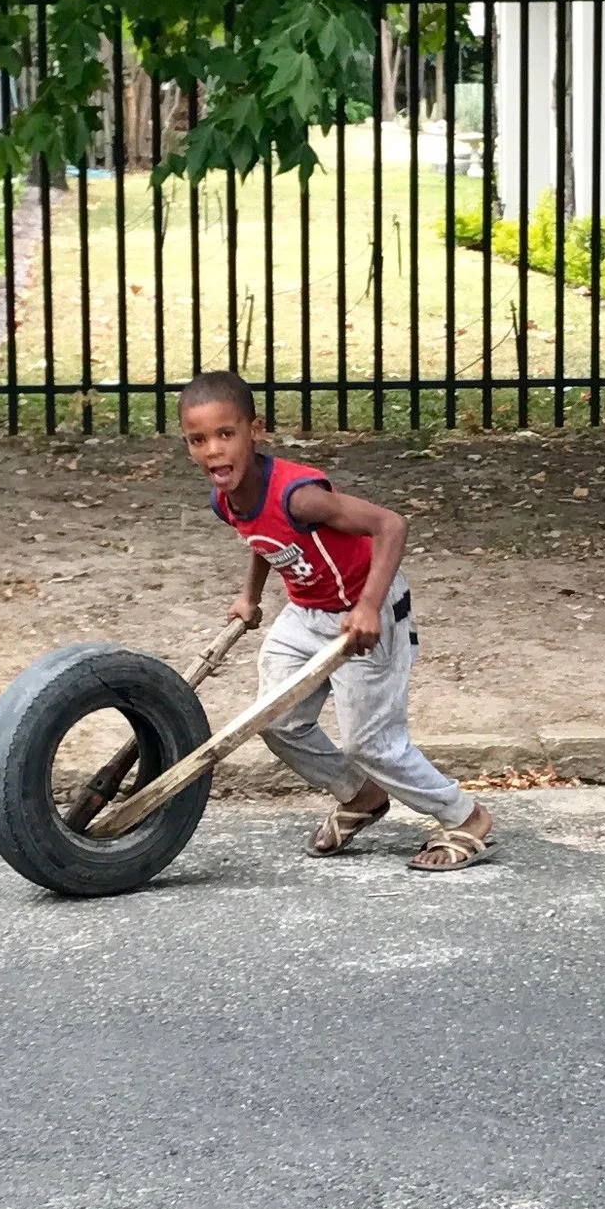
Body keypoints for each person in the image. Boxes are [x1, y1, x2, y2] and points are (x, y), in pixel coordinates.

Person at [176, 370, 494, 872]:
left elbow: (391, 525)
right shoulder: (226, 498)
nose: (213, 450)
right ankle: (361, 796)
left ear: (255, 431)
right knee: (275, 720)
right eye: (198, 440)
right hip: (306, 613)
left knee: (371, 743)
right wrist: (249, 596)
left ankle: (465, 817)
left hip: (369, 612)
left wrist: (367, 605)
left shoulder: (300, 496)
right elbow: (264, 540)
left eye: (225, 434)